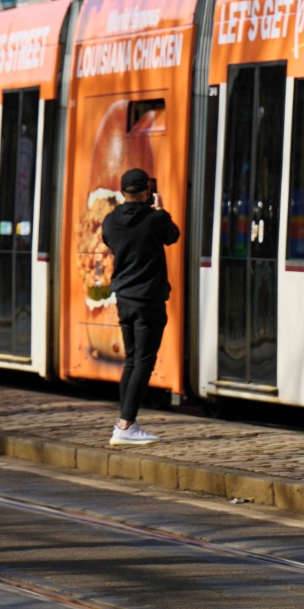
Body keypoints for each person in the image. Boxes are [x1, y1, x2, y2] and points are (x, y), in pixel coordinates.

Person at [102, 168, 180, 446]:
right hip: (149, 300)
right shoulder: (155, 219)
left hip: (124, 299)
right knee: (143, 362)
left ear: (122, 191)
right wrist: (161, 210)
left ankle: (124, 423)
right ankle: (126, 425)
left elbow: (111, 242)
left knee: (132, 360)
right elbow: (172, 236)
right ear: (148, 190)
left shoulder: (110, 221)